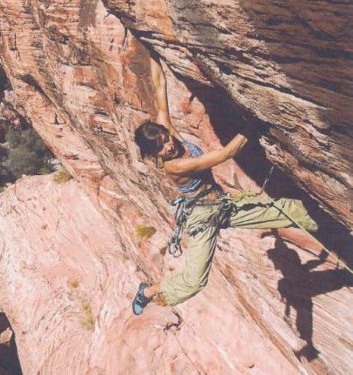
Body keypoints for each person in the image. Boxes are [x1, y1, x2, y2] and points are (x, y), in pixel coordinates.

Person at [131, 56, 319, 315]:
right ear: (154, 154)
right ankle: (148, 291)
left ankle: (324, 224)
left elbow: (158, 83)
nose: (169, 145)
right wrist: (255, 124)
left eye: (166, 139)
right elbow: (223, 155)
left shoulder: (166, 131)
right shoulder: (175, 166)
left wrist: (148, 46)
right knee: (195, 280)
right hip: (202, 219)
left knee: (287, 212)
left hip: (223, 205)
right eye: (162, 147)